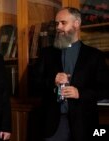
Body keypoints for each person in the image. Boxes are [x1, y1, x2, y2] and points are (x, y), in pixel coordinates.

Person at [31, 7, 109, 141]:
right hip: (53, 125)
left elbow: (105, 89)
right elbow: (33, 85)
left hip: (84, 125)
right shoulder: (47, 54)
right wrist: (52, 82)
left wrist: (79, 93)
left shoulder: (95, 56)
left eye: (63, 22)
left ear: (76, 24)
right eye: (57, 23)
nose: (58, 27)